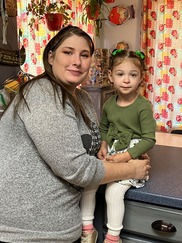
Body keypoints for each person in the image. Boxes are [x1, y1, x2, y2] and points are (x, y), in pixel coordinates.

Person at [0, 26, 151, 243]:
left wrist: (126, 151)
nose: (77, 61)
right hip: (26, 232)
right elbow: (77, 168)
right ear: (51, 57)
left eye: (84, 55)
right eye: (68, 52)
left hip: (63, 226)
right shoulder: (43, 93)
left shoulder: (83, 99)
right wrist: (131, 168)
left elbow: (93, 149)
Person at [80, 49, 156, 243]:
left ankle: (113, 238)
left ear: (141, 78)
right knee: (90, 183)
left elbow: (149, 139)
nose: (126, 80)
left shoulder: (143, 106)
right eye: (120, 74)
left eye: (133, 75)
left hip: (132, 157)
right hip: (112, 152)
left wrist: (125, 157)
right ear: (111, 76)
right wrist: (104, 143)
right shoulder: (108, 104)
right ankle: (87, 230)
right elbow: (104, 127)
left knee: (114, 191)